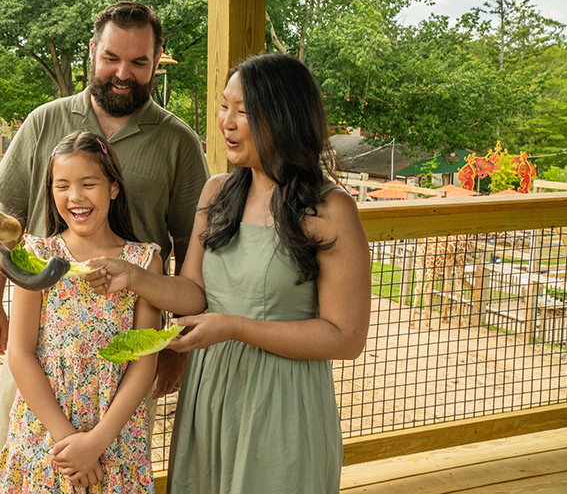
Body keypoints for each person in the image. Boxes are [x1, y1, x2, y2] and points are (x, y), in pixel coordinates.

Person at [89, 53, 371, 493]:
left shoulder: (330, 210)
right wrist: (136, 277)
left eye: (244, 111)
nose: (227, 122)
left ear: (284, 118)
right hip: (211, 393)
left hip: (283, 400)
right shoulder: (217, 192)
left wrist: (234, 327)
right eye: (225, 107)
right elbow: (194, 293)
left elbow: (346, 337)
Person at [0, 1, 209, 456]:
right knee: (28, 456)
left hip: (128, 347)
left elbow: (191, 249)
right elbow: (4, 222)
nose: (123, 73)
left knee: (109, 460)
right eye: (111, 58)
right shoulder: (44, 120)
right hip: (40, 337)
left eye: (139, 62)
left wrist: (174, 347)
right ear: (92, 52)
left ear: (156, 60)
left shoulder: (178, 141)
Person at [0, 131, 161, 492]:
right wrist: (69, 443)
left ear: (114, 188)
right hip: (46, 436)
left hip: (115, 435)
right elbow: (20, 353)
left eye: (89, 184)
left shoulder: (144, 261)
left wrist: (97, 442)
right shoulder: (36, 255)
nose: (75, 197)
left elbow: (144, 361)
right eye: (62, 185)